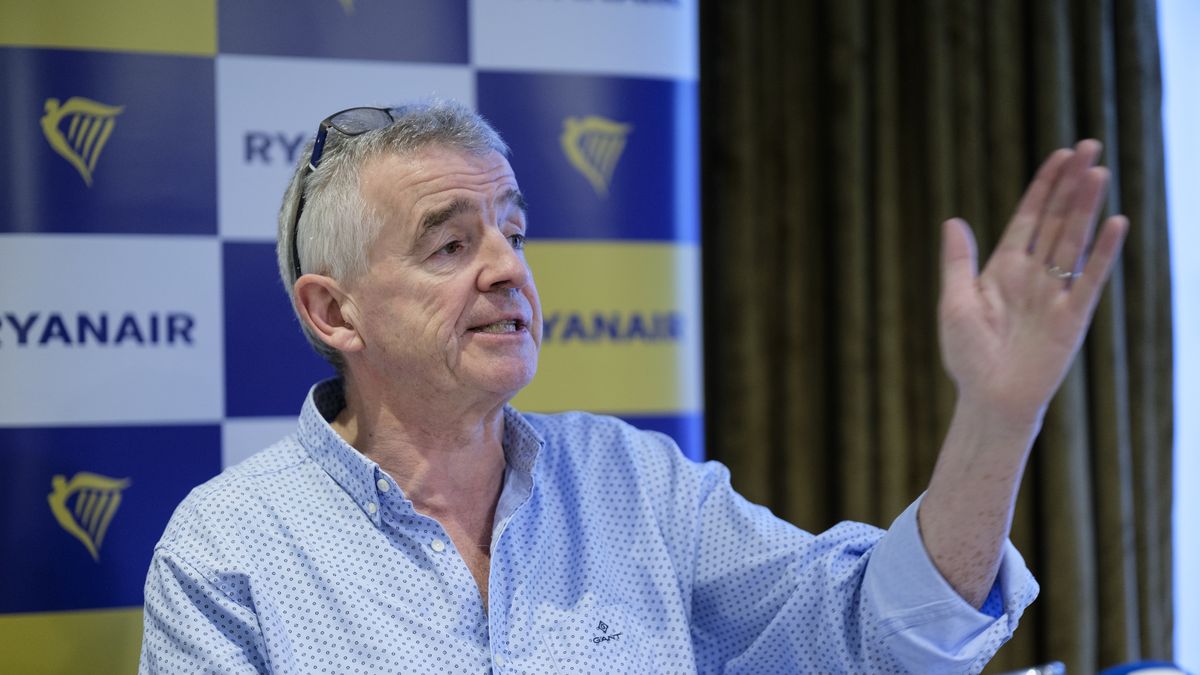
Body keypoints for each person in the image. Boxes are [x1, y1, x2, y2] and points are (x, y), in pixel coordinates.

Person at [139, 101, 1127, 674]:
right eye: (450, 243)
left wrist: (998, 418)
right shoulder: (229, 548)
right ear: (334, 313)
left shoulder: (630, 481)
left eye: (513, 233)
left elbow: (871, 632)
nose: (506, 269)